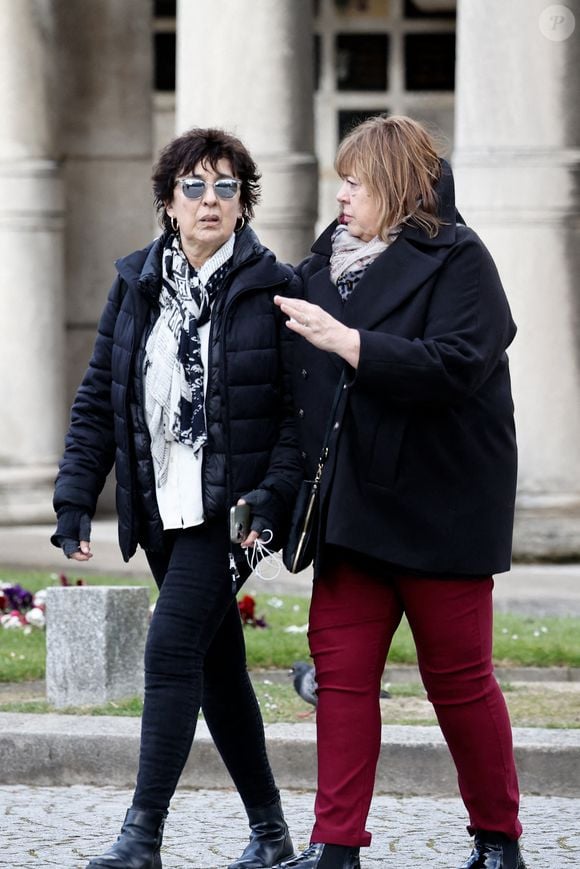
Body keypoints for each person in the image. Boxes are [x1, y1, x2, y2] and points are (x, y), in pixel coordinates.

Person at [273, 115, 528, 869]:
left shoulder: (459, 258)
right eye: (341, 181)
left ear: (393, 185)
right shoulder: (322, 266)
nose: (341, 195)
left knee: (459, 681)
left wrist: (348, 342)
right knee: (343, 679)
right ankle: (335, 845)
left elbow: (455, 363)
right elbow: (301, 398)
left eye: (355, 181)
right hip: (350, 514)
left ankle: (497, 840)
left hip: (440, 507)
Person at [51, 127, 302, 869]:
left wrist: (272, 496)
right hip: (162, 506)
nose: (211, 200)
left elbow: (298, 418)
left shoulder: (274, 287)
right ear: (168, 202)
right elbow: (100, 397)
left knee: (169, 649)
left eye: (228, 186)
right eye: (194, 185)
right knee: (216, 666)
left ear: (243, 203)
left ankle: (142, 835)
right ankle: (272, 835)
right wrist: (73, 499)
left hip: (232, 516)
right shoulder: (136, 284)